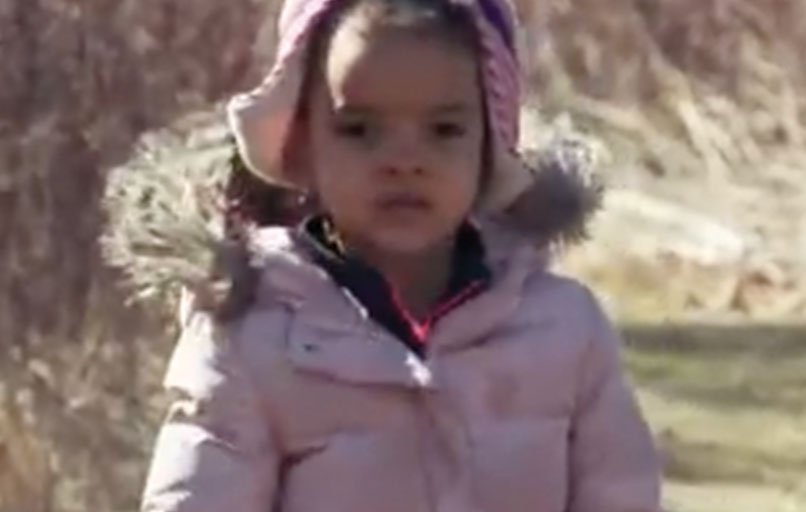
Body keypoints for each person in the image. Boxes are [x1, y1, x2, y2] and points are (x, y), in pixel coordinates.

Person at [134, 1, 663, 510]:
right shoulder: (251, 335)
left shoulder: (564, 332)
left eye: (443, 130)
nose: (404, 160)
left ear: (489, 148)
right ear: (302, 145)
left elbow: (621, 496)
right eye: (360, 129)